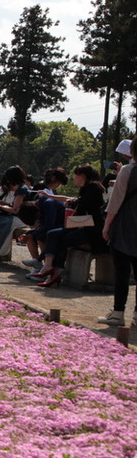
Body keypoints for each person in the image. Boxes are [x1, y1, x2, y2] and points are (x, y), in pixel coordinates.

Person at [29, 164, 106, 288]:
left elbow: (81, 205)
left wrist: (73, 203)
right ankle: (49, 267)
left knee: (59, 238)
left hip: (92, 231)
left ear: (82, 176)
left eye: (75, 175)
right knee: (52, 233)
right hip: (85, 225)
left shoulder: (93, 187)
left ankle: (53, 271)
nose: (74, 178)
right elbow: (74, 200)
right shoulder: (90, 187)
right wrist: (49, 196)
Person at [98, 138, 137, 326]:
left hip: (125, 226)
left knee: (121, 272)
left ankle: (118, 312)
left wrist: (107, 226)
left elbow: (115, 202)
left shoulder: (127, 171)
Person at [21, 168, 68, 270]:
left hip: (58, 226)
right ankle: (37, 264)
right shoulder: (45, 195)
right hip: (52, 225)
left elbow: (49, 224)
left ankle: (46, 266)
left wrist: (35, 232)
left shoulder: (48, 201)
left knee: (41, 236)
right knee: (32, 235)